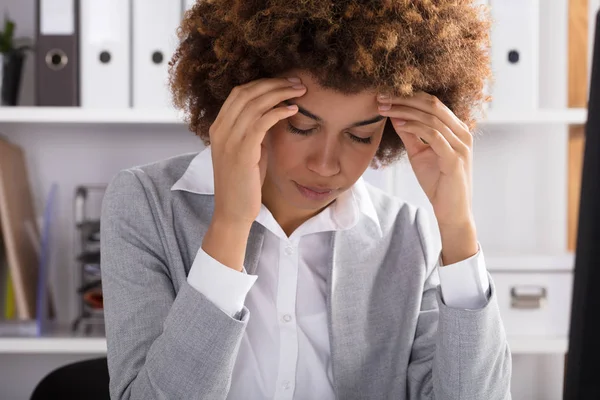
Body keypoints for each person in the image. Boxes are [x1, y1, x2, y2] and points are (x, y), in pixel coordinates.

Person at [100, 1, 512, 399]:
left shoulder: (410, 235)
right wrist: (229, 224)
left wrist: (457, 228)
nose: (327, 165)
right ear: (240, 105)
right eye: (300, 126)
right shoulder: (145, 204)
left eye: (360, 136)